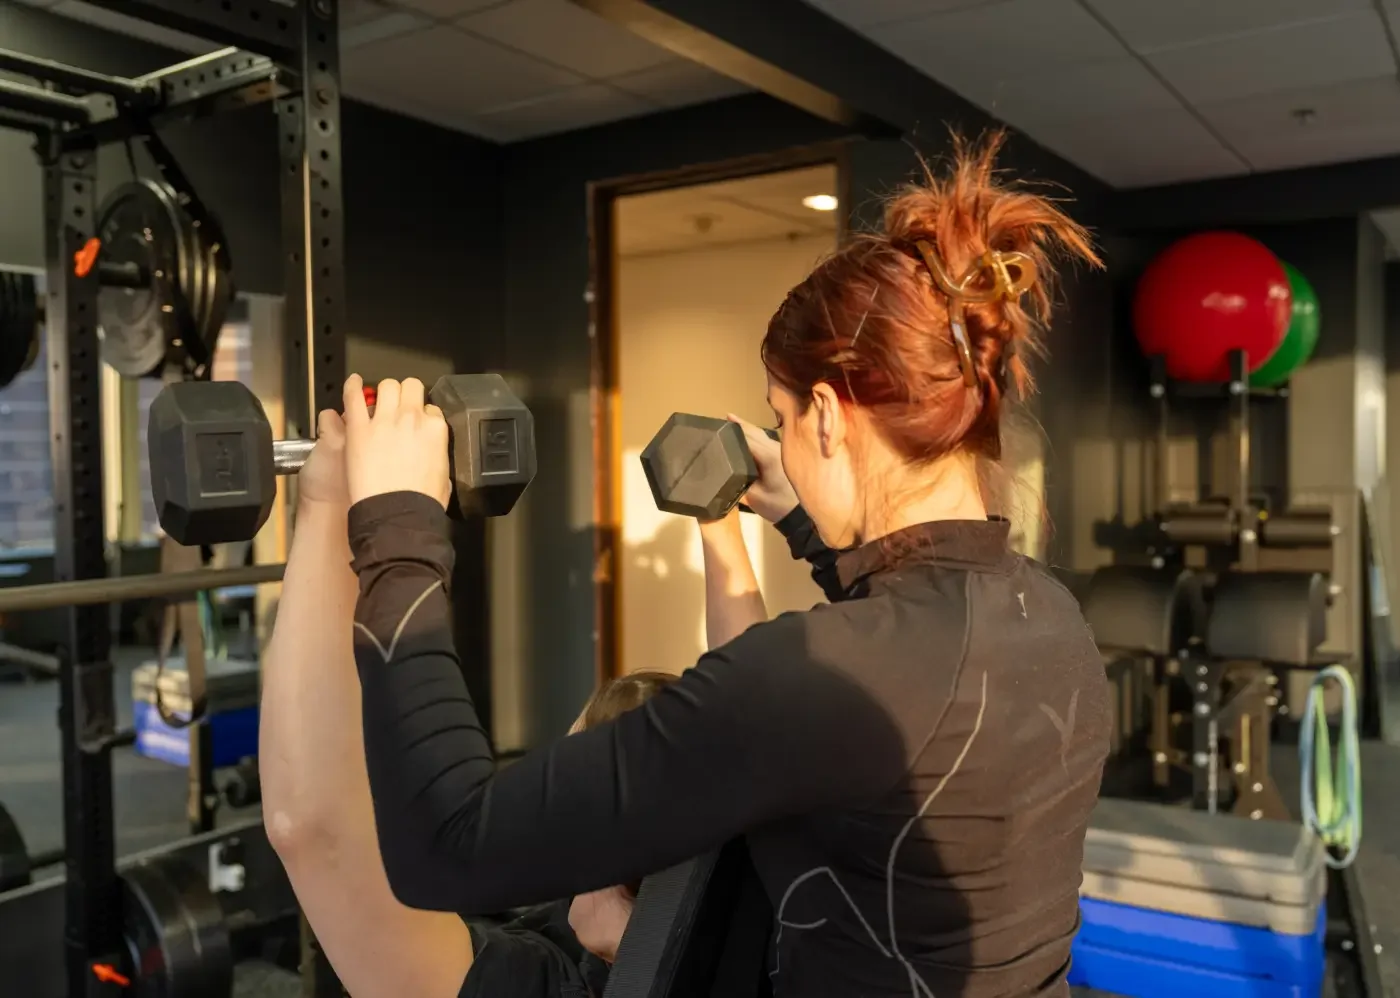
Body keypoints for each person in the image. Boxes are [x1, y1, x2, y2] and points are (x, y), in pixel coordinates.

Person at [301, 134, 1110, 997]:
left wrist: (398, 525)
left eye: (782, 420)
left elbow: (446, 844)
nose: (783, 448)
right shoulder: (1051, 618)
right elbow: (897, 645)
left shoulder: (818, 674)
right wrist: (797, 524)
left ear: (828, 417)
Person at [259, 415, 679, 997]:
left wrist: (331, 504)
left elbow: (311, 830)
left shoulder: (547, 988)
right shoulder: (745, 922)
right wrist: (723, 524)